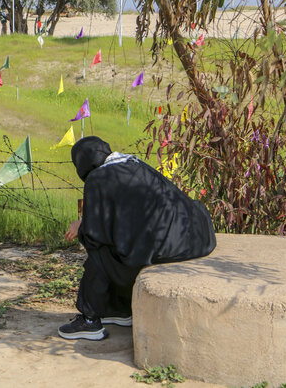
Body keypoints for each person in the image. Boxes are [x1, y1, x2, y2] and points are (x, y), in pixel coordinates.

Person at [58, 137, 216, 341]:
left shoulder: (97, 178)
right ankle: (120, 310)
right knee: (119, 242)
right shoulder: (132, 163)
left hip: (172, 246)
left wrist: (81, 227)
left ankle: (90, 320)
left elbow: (94, 235)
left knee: (100, 250)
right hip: (197, 236)